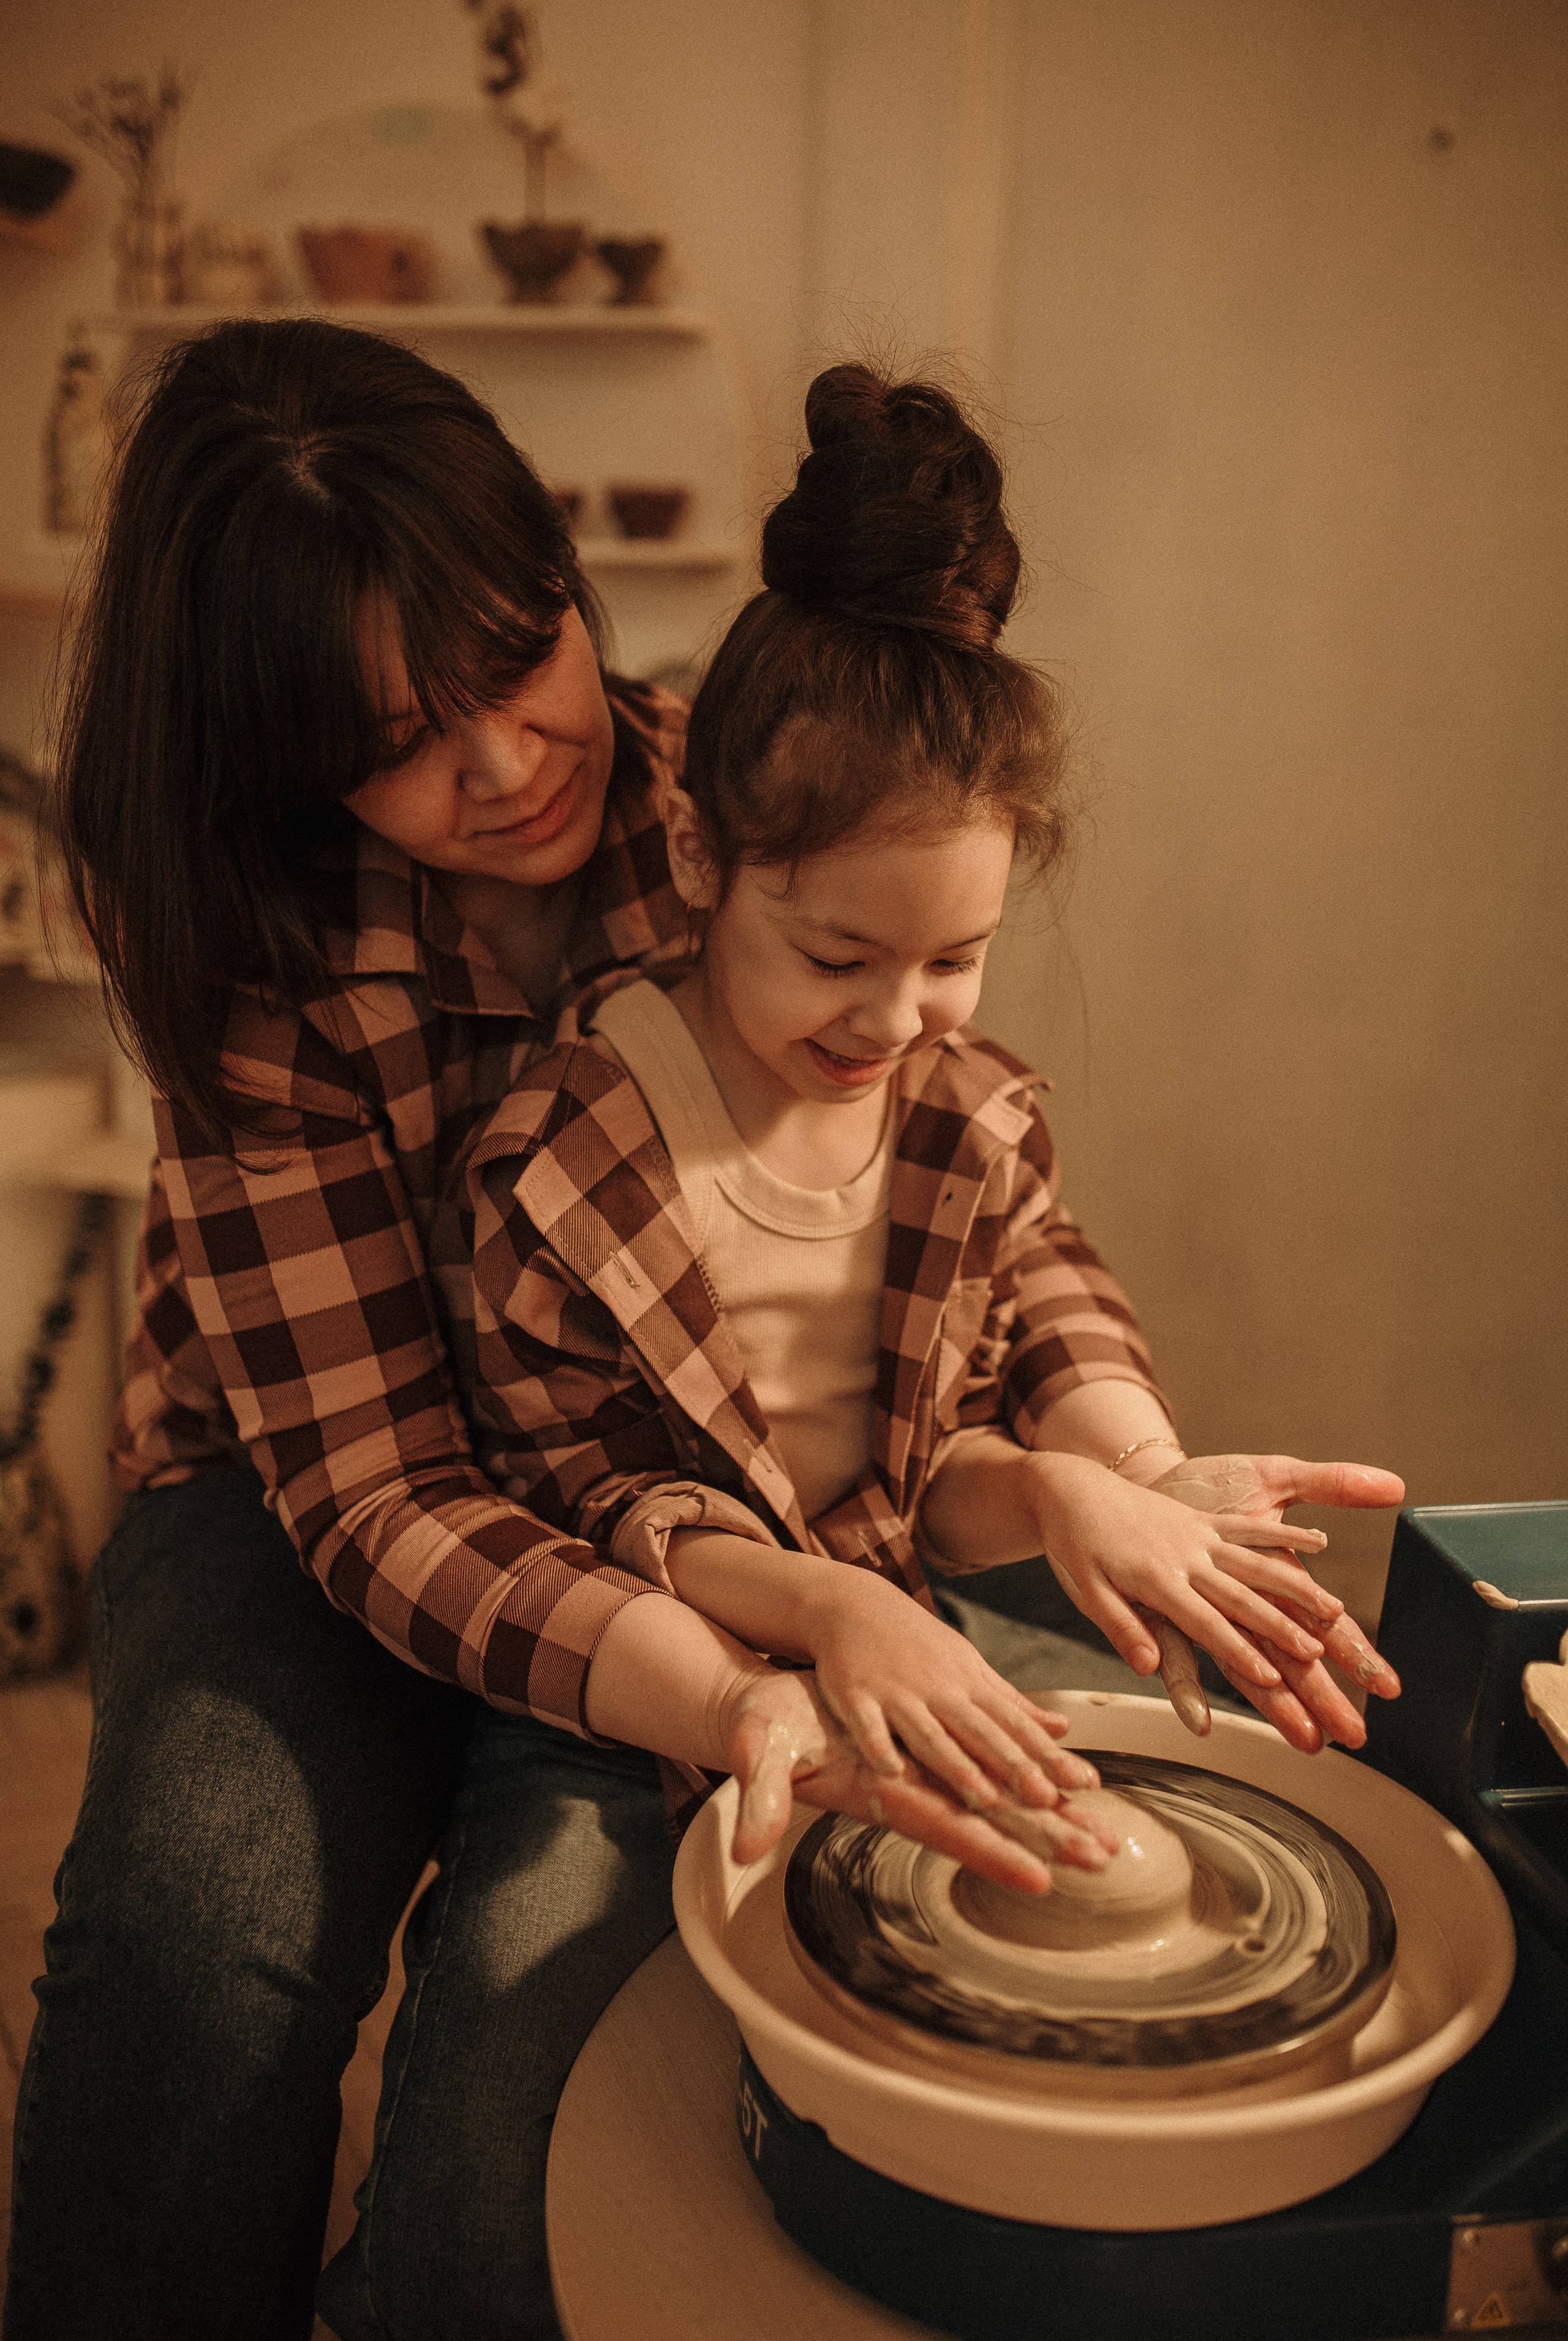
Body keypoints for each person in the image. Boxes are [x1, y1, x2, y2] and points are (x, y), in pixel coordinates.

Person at [4, 321, 1112, 2341]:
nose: (511, 765)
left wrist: (1099, 1443)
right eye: (399, 735)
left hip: (668, 1486)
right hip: (308, 1491)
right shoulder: (247, 949)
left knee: (545, 2072)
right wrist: (709, 1678)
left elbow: (955, 1180)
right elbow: (371, 1488)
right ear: (274, 752)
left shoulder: (737, 799)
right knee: (200, 1927)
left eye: (523, 656)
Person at [457, 363, 1405, 1806]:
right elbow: (594, 1512)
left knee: (1163, 1821)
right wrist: (824, 1618)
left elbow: (942, 1456)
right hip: (624, 1693)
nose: (896, 1019)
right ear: (703, 862)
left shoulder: (968, 1117)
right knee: (531, 2026)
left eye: (953, 957)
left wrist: (1101, 1480)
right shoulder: (571, 1157)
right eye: (834, 952)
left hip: (909, 1627)